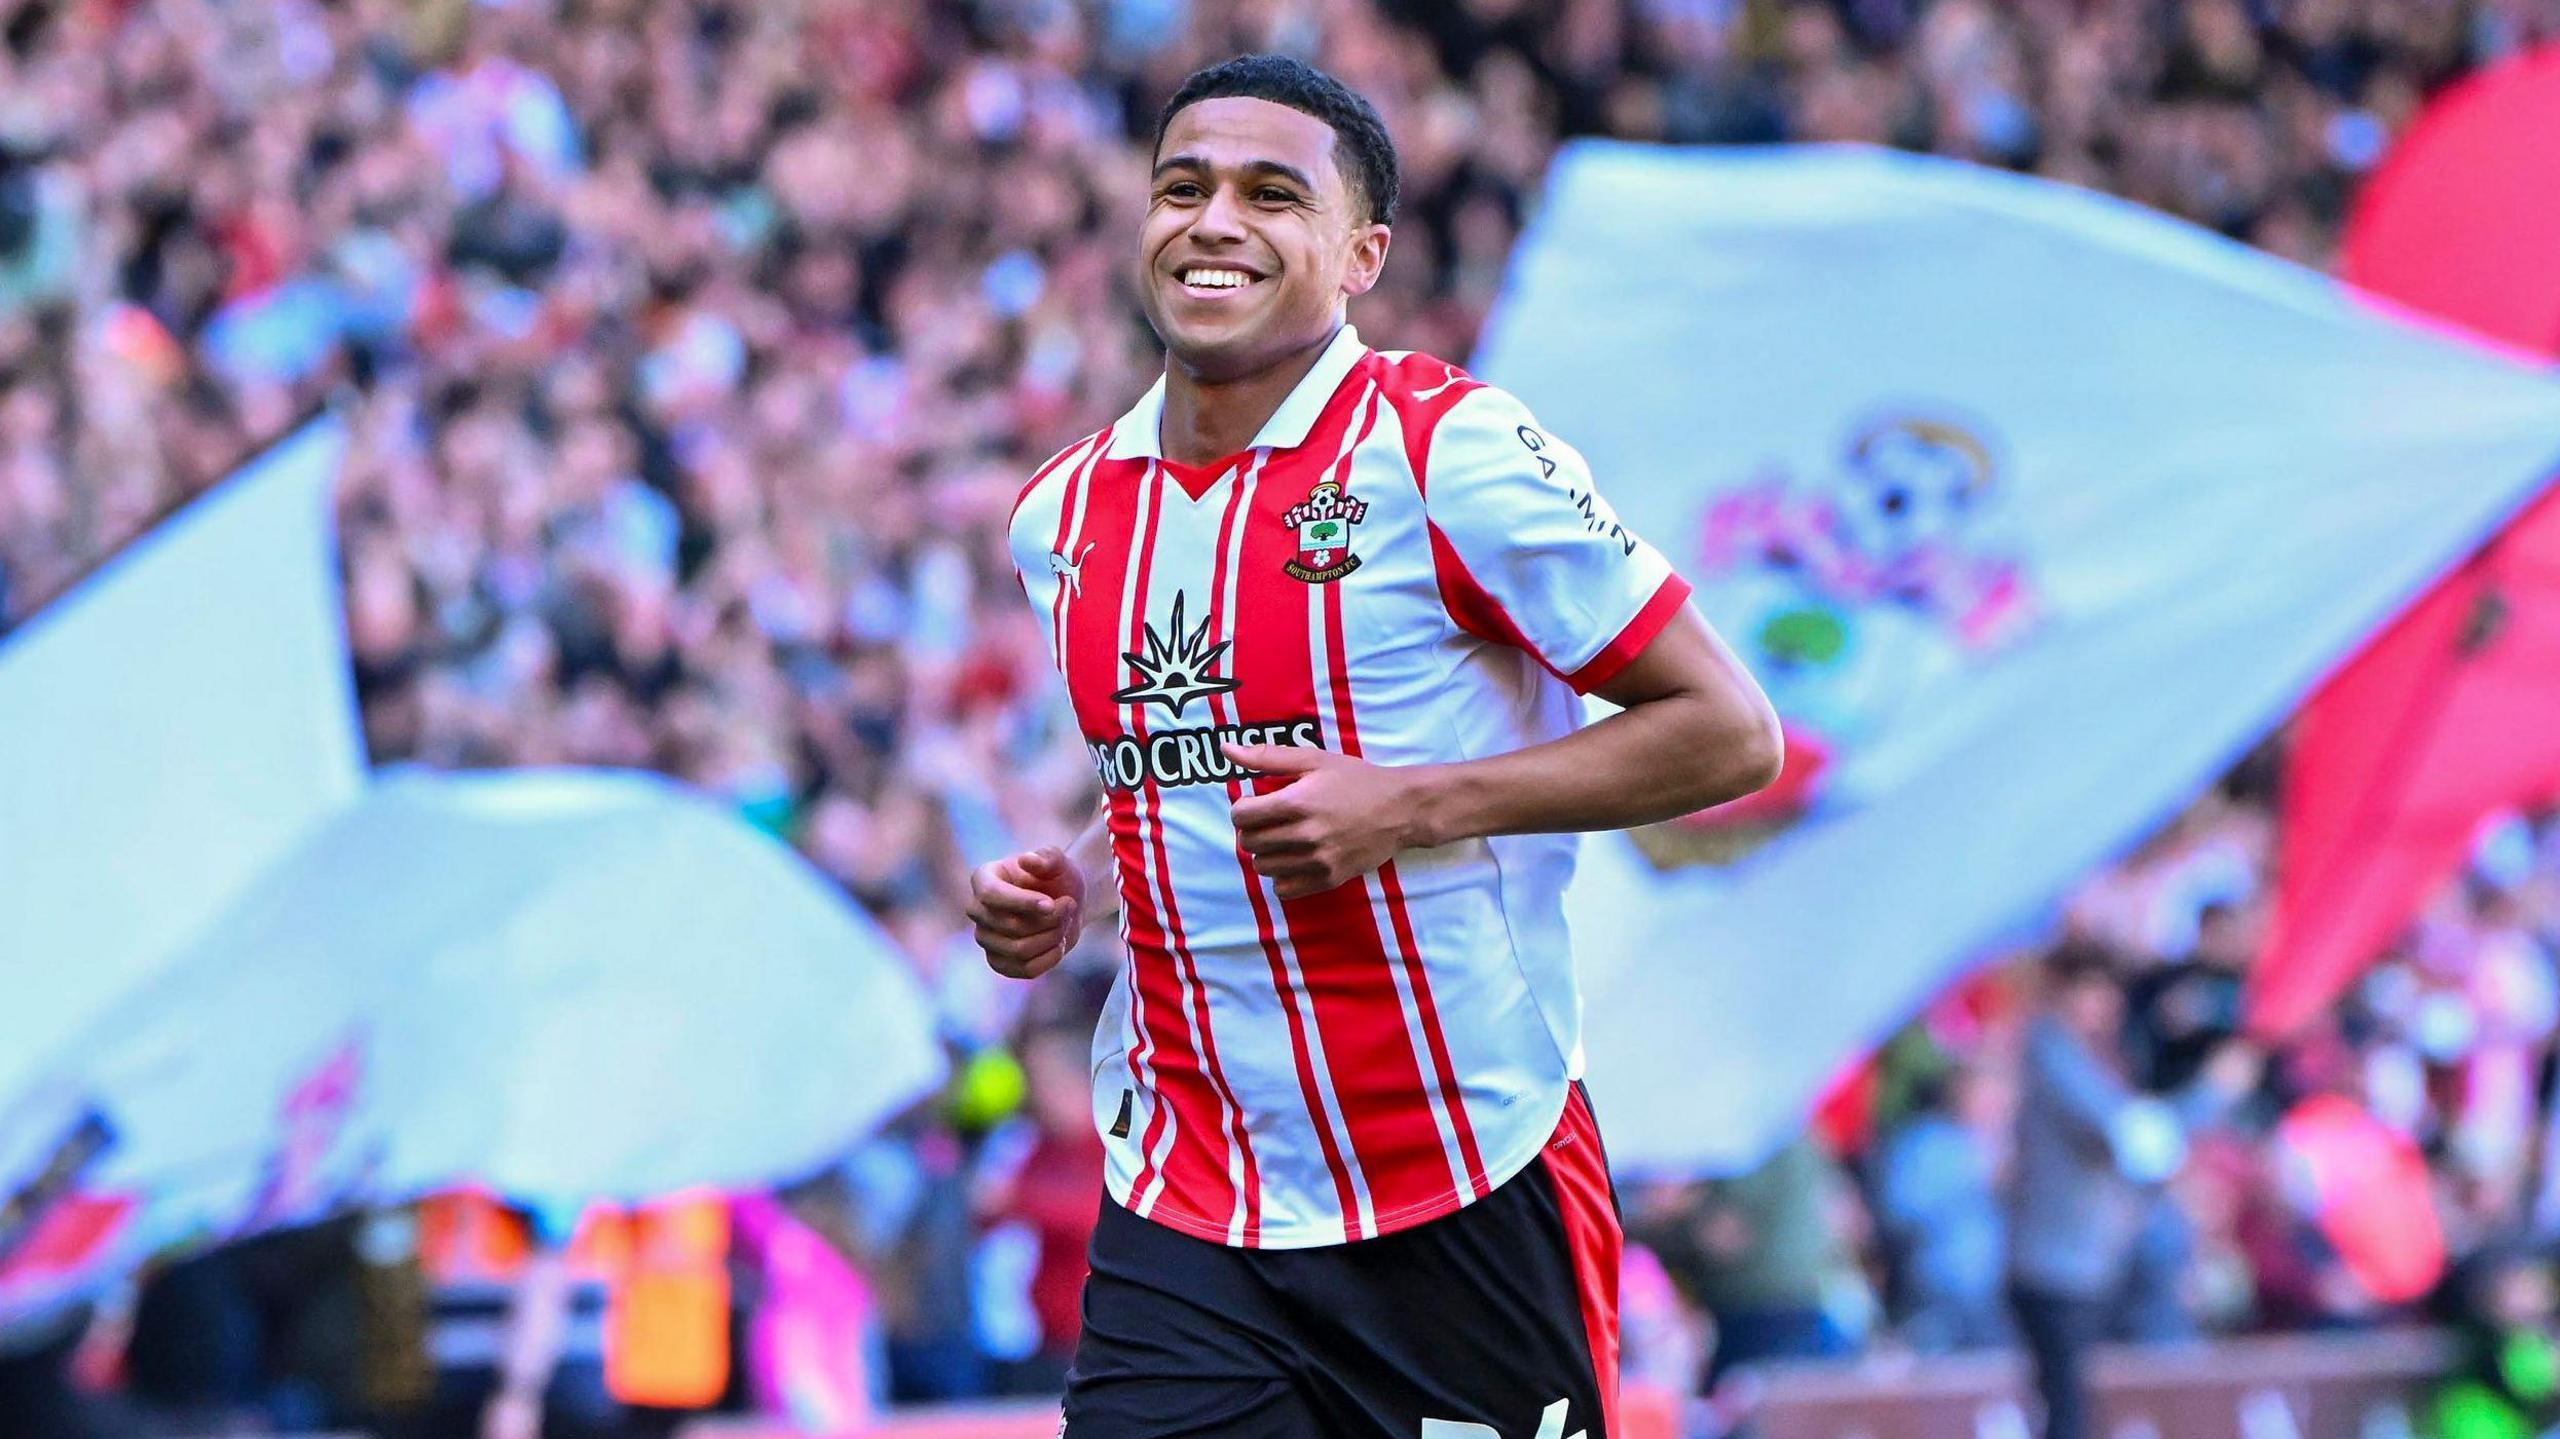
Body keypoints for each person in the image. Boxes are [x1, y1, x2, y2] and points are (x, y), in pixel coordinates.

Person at [966, 53, 1781, 1439]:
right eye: (1185, 185)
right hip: (1191, 1190)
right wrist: (1070, 890)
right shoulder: (1066, 514)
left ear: (1361, 254)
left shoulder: (1446, 450)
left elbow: (1728, 732)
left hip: (1462, 1170)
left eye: (1272, 194)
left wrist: (1409, 804)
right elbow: (1179, 776)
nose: (1214, 218)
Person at [2005, 944, 2259, 1439]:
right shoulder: (2051, 1049)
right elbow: (2135, 1139)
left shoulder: (2091, 1055)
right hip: (2057, 1267)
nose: (2103, 1006)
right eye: (2091, 991)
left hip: (2091, 1266)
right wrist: (2214, 1092)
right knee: (2067, 1413)